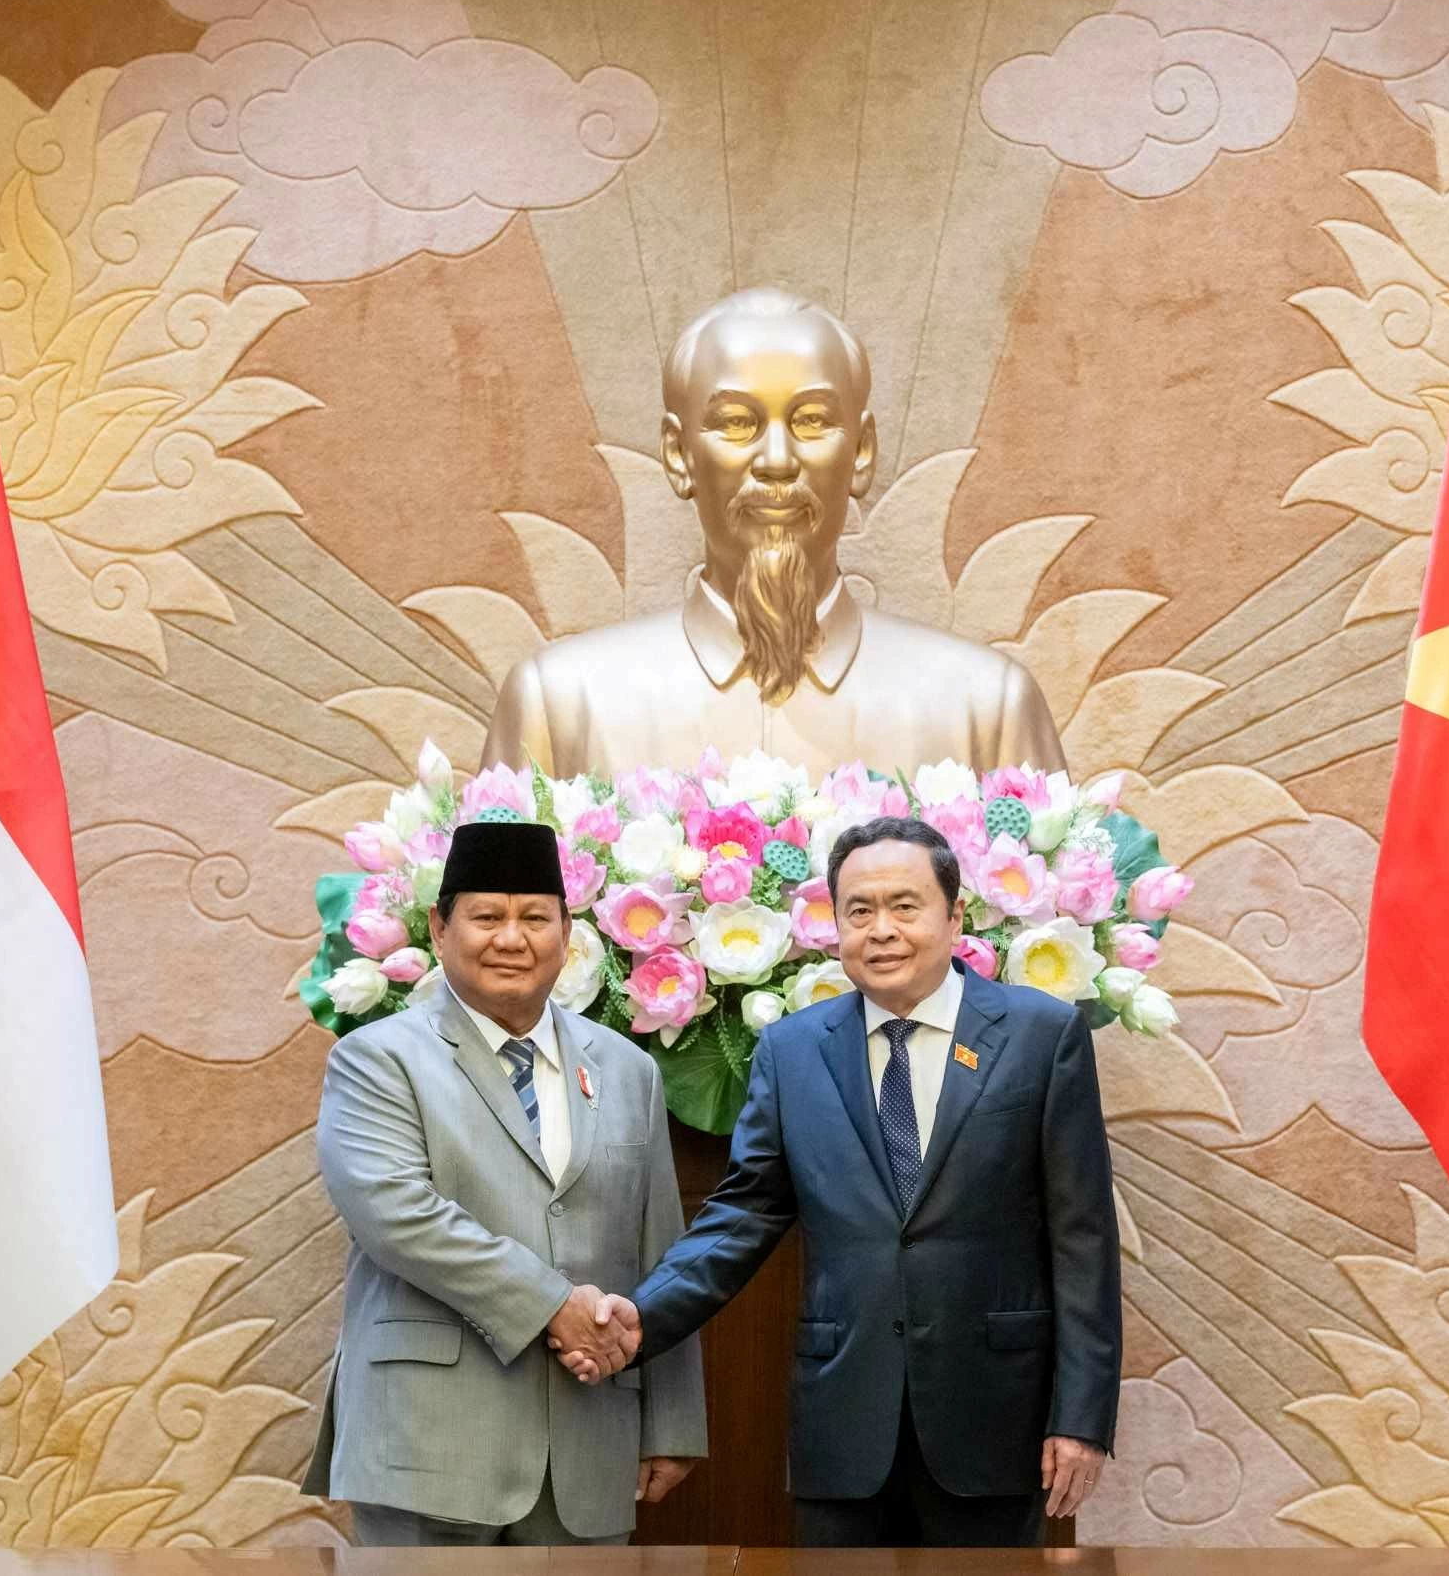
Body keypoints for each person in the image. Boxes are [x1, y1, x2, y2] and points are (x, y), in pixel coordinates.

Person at [561, 816, 1120, 1546]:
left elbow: (1083, 1238)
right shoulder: (793, 1050)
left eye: (905, 906)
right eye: (859, 910)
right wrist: (646, 1315)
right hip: (843, 1420)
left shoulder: (1041, 1036)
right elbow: (744, 1213)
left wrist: (1080, 1417)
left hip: (994, 1417)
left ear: (955, 916)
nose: (880, 928)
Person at [306, 820, 703, 1544]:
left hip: (588, 1444)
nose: (511, 938)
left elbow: (660, 1250)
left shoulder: (627, 1070)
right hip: (428, 1444)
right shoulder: (378, 1060)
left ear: (568, 930)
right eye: (487, 916)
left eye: (534, 918)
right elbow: (400, 1215)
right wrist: (556, 1303)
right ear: (439, 925)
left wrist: (671, 1418)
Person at [480, 287, 1066, 776]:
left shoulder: (987, 711)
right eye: (737, 423)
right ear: (679, 454)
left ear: (860, 453)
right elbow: (494, 914)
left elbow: (1053, 916)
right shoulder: (561, 708)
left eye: (812, 421)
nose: (778, 460)